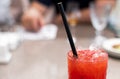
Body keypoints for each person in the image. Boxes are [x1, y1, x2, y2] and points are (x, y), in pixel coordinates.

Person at [21, 0, 115, 32]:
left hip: (100, 30)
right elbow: (36, 8)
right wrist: (32, 14)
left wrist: (65, 18)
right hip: (65, 32)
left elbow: (103, 9)